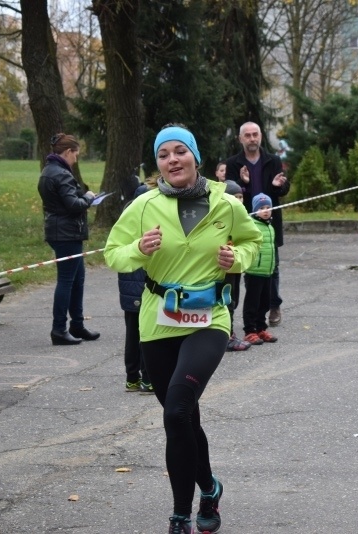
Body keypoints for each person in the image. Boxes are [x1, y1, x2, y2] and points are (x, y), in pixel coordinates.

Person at [104, 125, 261, 534]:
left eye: (180, 152)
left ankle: (179, 516)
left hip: (209, 318)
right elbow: (112, 253)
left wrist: (236, 257)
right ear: (157, 164)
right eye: (163, 155)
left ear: (195, 157)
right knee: (185, 417)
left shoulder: (225, 204)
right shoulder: (143, 206)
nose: (172, 160)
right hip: (158, 320)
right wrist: (138, 250)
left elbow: (253, 241)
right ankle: (209, 488)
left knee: (175, 411)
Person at [37, 133, 100, 346]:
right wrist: (89, 198)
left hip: (61, 231)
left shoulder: (48, 171)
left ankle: (77, 325)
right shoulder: (62, 174)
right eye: (76, 154)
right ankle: (59, 329)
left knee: (77, 279)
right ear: (67, 152)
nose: (76, 159)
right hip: (67, 233)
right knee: (66, 281)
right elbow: (73, 205)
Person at [225, 122, 290, 327]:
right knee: (241, 268)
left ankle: (273, 305)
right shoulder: (233, 163)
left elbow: (283, 189)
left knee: (272, 266)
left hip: (269, 223)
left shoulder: (273, 160)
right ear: (241, 139)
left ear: (260, 136)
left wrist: (279, 186)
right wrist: (243, 183)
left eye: (255, 135)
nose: (252, 139)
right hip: (243, 224)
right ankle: (233, 311)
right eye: (248, 135)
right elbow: (228, 193)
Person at [119, 174, 157, 393]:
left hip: (128, 289)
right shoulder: (144, 225)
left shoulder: (126, 219)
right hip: (139, 287)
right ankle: (147, 378)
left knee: (132, 334)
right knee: (146, 334)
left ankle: (132, 377)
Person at [242, 193, 278, 346]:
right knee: (252, 302)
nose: (265, 210)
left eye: (268, 207)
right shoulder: (251, 225)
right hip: (254, 271)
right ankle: (250, 330)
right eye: (262, 208)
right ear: (255, 210)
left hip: (267, 271)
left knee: (265, 301)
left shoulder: (270, 226)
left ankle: (260, 328)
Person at [223, 179, 252, 352]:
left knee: (234, 300)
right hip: (223, 269)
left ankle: (230, 332)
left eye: (241, 197)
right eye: (235, 197)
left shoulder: (241, 217)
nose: (239, 201)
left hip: (236, 267)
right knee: (226, 301)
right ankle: (226, 336)